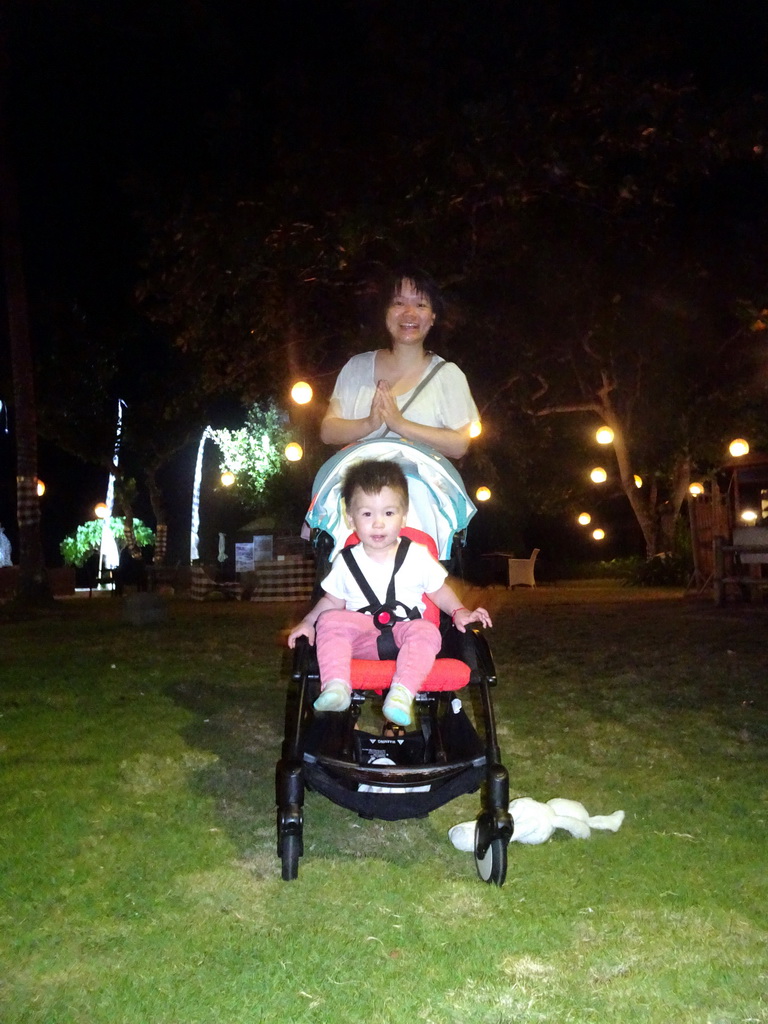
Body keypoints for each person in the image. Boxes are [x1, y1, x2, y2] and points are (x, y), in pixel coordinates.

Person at [287, 460, 492, 728]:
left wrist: (458, 610)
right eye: (367, 514)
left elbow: (439, 590)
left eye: (388, 513)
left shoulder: (418, 555)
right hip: (361, 640)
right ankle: (336, 686)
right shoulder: (346, 560)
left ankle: (401, 693)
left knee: (428, 631)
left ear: (404, 517)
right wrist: (308, 621)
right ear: (351, 519)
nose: (378, 524)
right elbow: (331, 600)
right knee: (330, 620)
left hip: (406, 636)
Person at [320, 267, 479, 460]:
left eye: (420, 305)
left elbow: (459, 444)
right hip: (361, 487)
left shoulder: (447, 376)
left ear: (433, 317)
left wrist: (400, 424)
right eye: (399, 303)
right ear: (386, 312)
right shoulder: (357, 367)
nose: (409, 313)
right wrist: (369, 424)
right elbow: (328, 431)